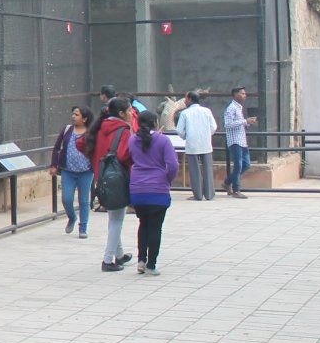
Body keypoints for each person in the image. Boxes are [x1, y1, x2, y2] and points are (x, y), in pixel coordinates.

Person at [80, 97, 134, 272]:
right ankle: (108, 260)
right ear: (121, 113)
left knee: (114, 217)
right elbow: (125, 155)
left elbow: (81, 143)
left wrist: (96, 158)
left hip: (101, 176)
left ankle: (120, 254)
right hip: (118, 178)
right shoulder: (123, 130)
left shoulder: (99, 126)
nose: (131, 113)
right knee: (117, 219)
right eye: (129, 110)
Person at [127, 108, 179, 275]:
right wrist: (167, 179)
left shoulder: (132, 140)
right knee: (156, 228)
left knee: (143, 224)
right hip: (158, 188)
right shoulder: (163, 140)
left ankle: (141, 260)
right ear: (156, 123)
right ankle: (151, 264)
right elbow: (173, 165)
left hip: (137, 188)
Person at [50, 105, 95, 238]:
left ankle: (83, 227)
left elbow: (97, 150)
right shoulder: (67, 129)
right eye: (73, 114)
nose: (73, 117)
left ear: (85, 119)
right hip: (68, 171)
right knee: (66, 199)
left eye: (77, 115)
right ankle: (72, 217)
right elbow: (56, 148)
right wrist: (54, 165)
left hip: (86, 171)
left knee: (84, 200)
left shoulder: (91, 132)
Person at [174, 90, 218, 201]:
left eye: (186, 98)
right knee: (207, 169)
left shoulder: (185, 113)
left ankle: (197, 195)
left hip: (192, 144)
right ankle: (209, 194)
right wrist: (207, 135)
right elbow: (214, 127)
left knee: (194, 170)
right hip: (206, 144)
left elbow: (179, 130)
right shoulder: (207, 111)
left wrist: (186, 136)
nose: (184, 101)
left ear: (190, 99)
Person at [224, 85, 257, 199]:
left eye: (245, 93)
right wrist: (244, 121)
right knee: (238, 165)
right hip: (235, 141)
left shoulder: (239, 108)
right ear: (235, 94)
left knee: (246, 164)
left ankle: (227, 182)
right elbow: (228, 124)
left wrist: (247, 122)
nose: (244, 95)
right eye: (242, 93)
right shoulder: (231, 108)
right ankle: (236, 190)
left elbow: (240, 123)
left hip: (242, 140)